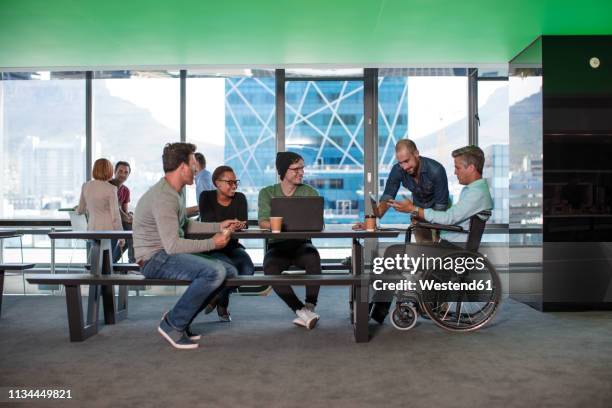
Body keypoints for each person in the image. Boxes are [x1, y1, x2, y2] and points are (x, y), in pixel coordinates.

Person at [133, 143, 243, 350]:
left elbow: (185, 224)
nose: (196, 168)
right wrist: (213, 242)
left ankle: (181, 320)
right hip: (153, 258)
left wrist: (218, 225)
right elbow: (173, 245)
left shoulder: (176, 192)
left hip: (165, 253)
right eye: (193, 164)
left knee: (229, 271)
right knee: (215, 271)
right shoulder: (164, 196)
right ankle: (173, 323)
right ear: (183, 167)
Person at [369, 145, 494, 323]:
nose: (455, 172)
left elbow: (449, 217)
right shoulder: (474, 190)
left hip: (451, 251)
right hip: (450, 246)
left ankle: (379, 309)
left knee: (393, 253)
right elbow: (455, 219)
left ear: (471, 168)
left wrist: (415, 210)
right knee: (397, 253)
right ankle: (381, 307)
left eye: (458, 167)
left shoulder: (476, 193)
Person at [258, 152, 322, 330]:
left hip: (302, 244)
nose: (301, 172)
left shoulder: (310, 192)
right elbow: (262, 221)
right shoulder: (267, 193)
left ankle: (309, 307)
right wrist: (275, 224)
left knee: (313, 259)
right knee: (270, 268)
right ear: (284, 171)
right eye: (296, 169)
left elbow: (318, 223)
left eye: (302, 168)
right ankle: (300, 311)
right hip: (277, 246)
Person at [355, 139, 449, 243]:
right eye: (400, 163)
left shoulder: (436, 170)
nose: (404, 167)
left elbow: (441, 209)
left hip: (439, 213)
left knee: (439, 250)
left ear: (416, 154)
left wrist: (413, 210)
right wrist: (370, 223)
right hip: (418, 214)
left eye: (407, 161)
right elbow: (388, 197)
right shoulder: (398, 170)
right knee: (424, 250)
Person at [199, 165, 254, 321]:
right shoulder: (206, 197)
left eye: (235, 182)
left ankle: (218, 297)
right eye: (230, 182)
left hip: (233, 246)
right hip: (213, 247)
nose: (234, 185)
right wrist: (231, 224)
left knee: (248, 270)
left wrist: (236, 225)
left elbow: (243, 223)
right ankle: (223, 305)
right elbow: (209, 223)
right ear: (217, 183)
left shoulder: (240, 197)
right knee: (231, 269)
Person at [76, 158, 124, 254]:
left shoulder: (86, 186)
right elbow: (115, 215)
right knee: (107, 262)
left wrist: (77, 209)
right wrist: (121, 235)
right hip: (108, 231)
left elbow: (80, 210)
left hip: (92, 230)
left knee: (96, 261)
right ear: (109, 171)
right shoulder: (111, 188)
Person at [109, 161, 135, 263]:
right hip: (108, 221)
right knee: (131, 231)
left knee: (131, 234)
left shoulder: (126, 191)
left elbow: (124, 211)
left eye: (126, 172)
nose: (123, 174)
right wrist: (128, 218)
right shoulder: (108, 186)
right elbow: (115, 210)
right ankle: (132, 262)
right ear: (115, 172)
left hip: (119, 221)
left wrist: (130, 216)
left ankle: (113, 262)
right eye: (120, 171)